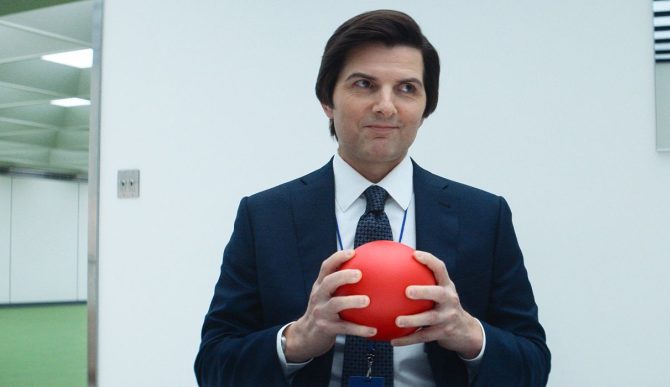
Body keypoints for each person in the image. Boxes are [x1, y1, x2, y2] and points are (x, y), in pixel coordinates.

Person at [195, 9, 550, 387]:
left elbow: (533, 366)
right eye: (364, 84)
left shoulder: (484, 216)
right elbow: (214, 366)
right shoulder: (264, 217)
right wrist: (296, 340)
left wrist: (470, 335)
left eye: (407, 88)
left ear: (426, 107)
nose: (385, 106)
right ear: (327, 100)